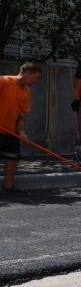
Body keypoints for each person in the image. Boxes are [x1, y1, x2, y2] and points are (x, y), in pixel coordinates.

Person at [0, 62, 41, 193]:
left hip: (11, 131)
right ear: (27, 74)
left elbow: (22, 113)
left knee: (13, 157)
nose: (36, 80)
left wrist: (22, 132)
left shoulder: (27, 91)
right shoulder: (4, 81)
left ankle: (8, 187)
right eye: (35, 77)